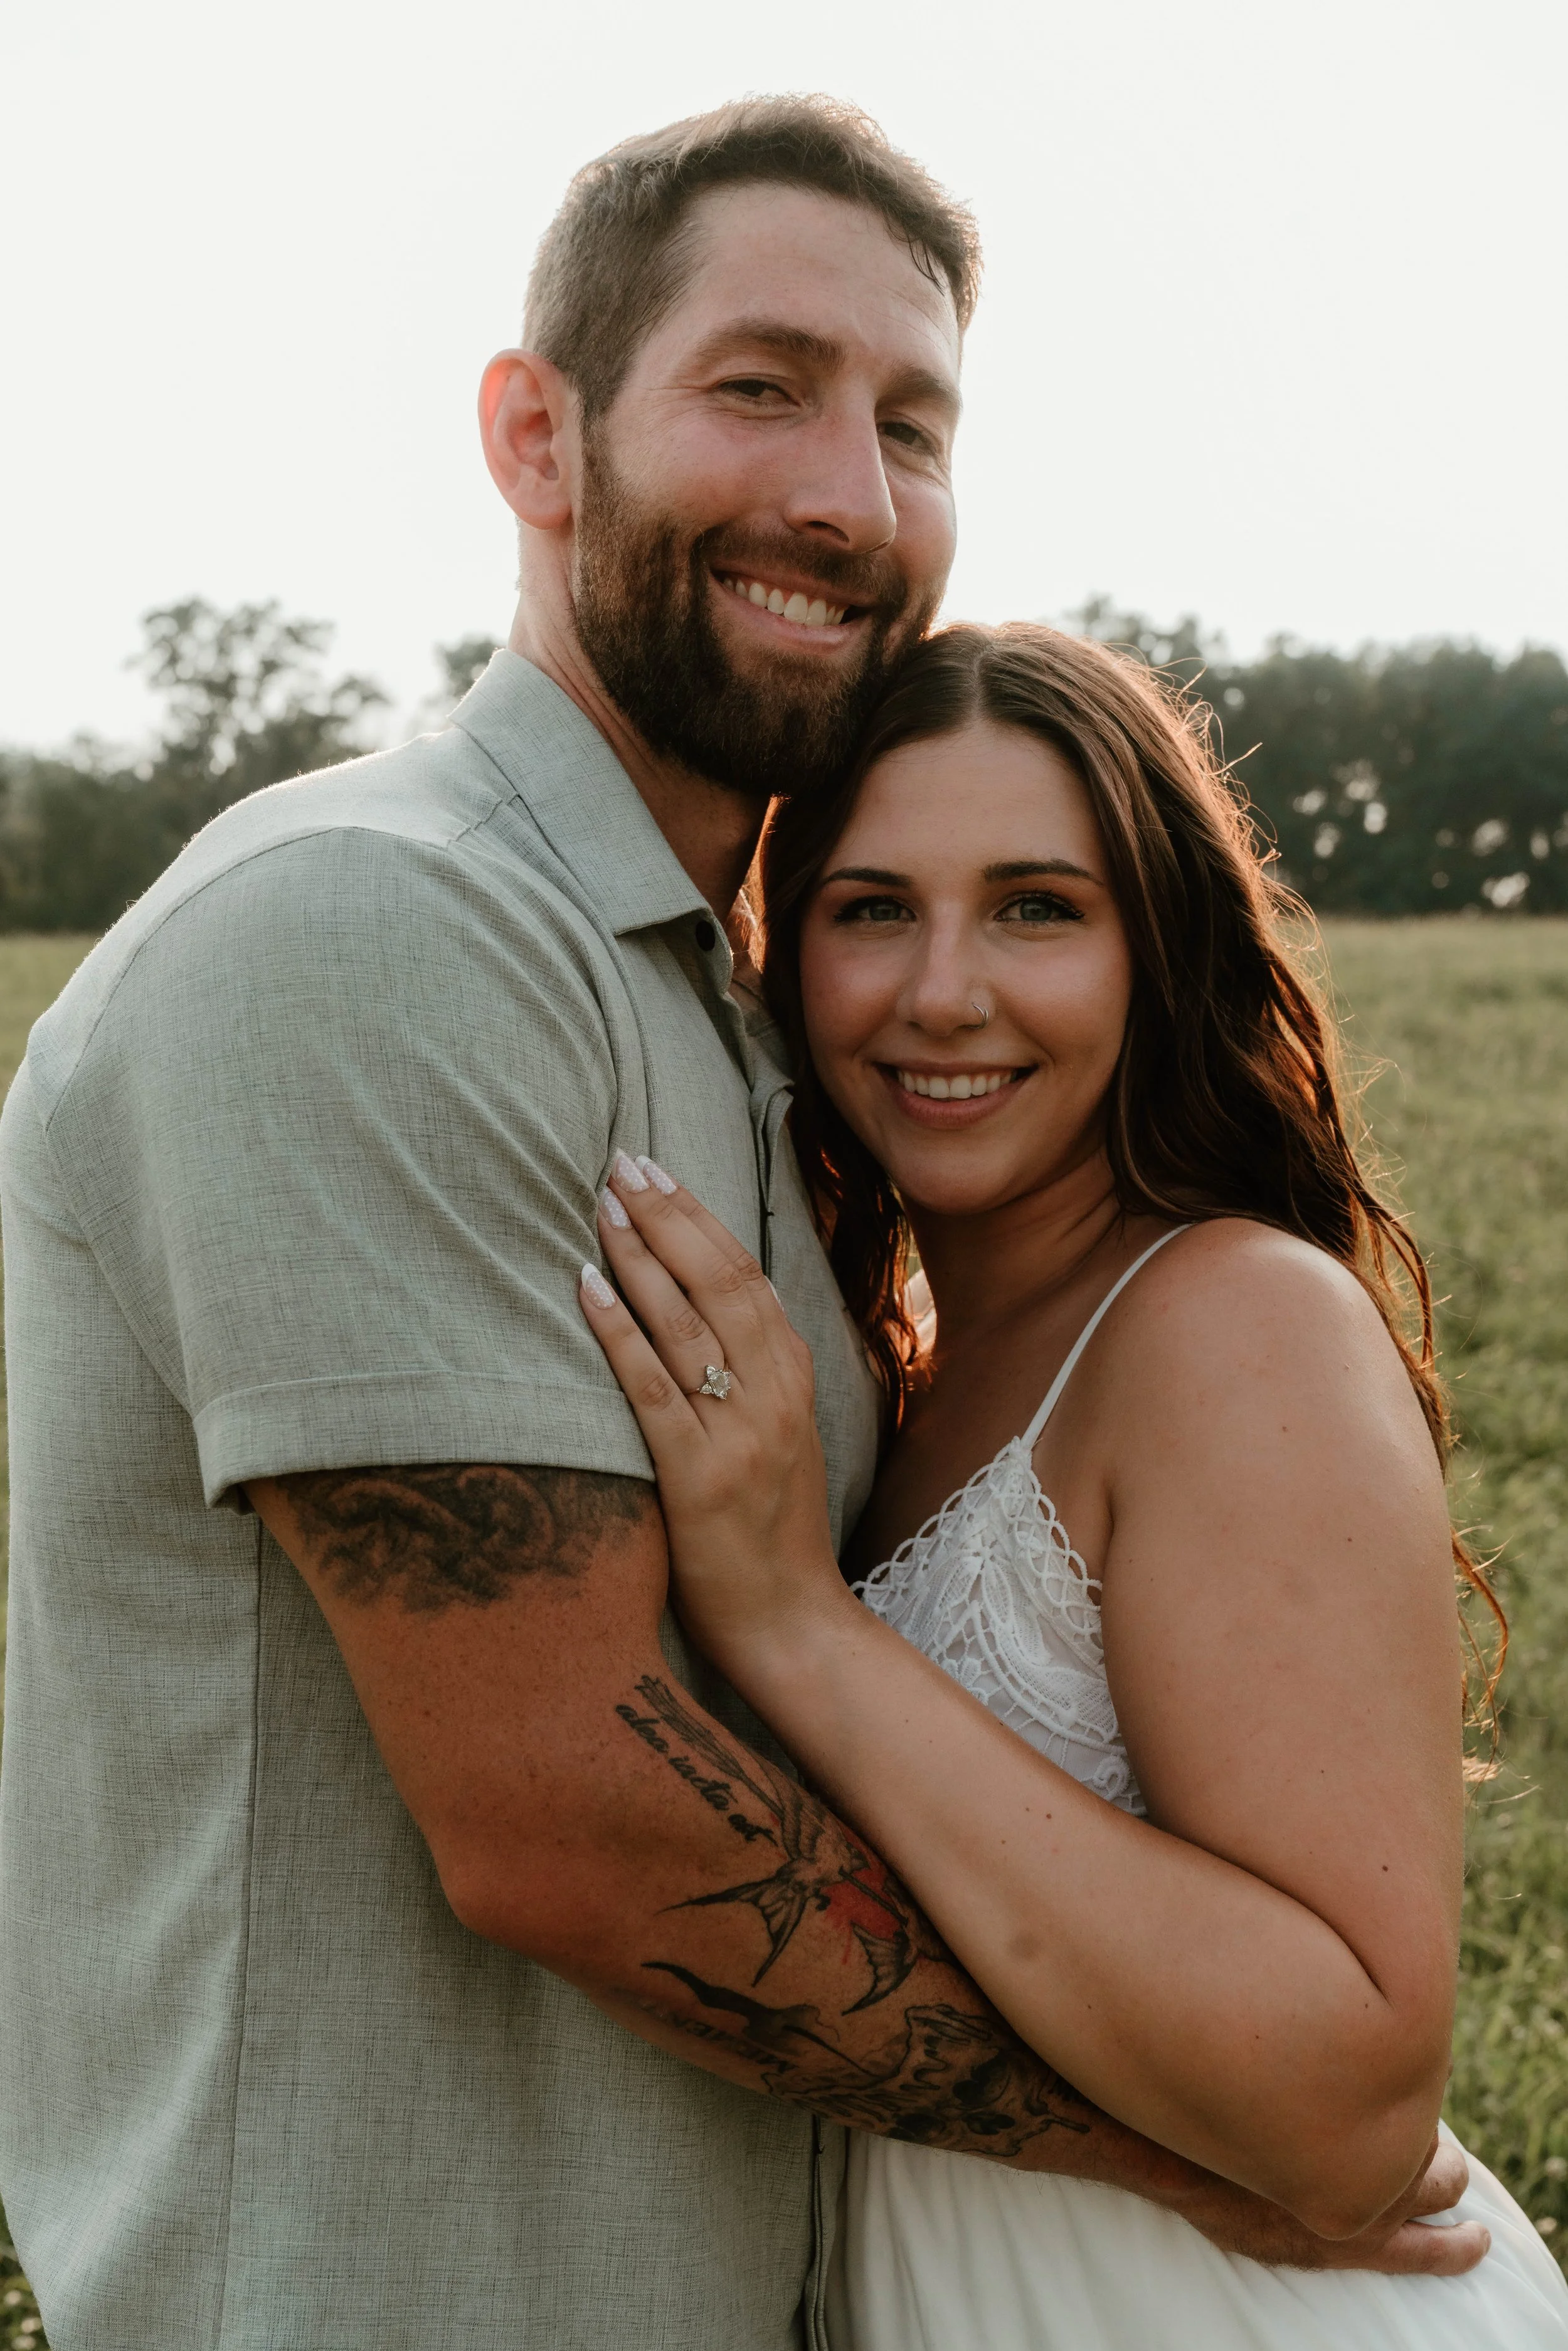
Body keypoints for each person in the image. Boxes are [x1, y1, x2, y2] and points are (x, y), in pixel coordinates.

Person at [0, 98, 1481, 2351]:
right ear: (537, 436)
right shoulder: (372, 929)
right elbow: (575, 1823)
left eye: (911, 424)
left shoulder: (719, 1020)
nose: (846, 495)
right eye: (760, 385)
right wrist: (1182, 2148)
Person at [579, 620, 1568, 2348]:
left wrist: (798, 1627)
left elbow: (1348, 2103)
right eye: (870, 908)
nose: (942, 991)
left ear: (1154, 948)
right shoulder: (906, 1358)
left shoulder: (1231, 1322)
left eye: (1035, 907)